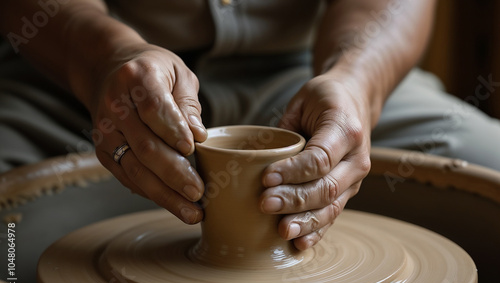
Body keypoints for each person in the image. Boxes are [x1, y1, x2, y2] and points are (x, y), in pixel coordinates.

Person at [1, 0, 500, 251]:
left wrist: (357, 80)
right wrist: (104, 58)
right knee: (10, 252)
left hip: (314, 73)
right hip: (91, 73)